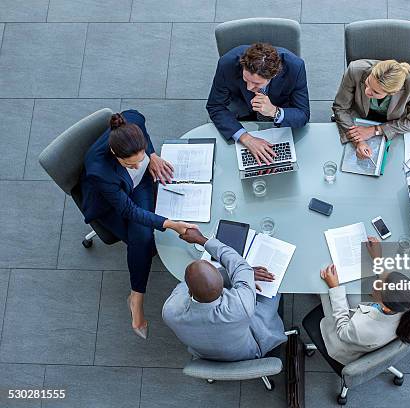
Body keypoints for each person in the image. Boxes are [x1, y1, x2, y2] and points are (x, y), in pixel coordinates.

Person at [80, 110, 197, 339]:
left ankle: (136, 293)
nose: (136, 165)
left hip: (139, 185)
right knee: (143, 239)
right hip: (111, 203)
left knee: (145, 237)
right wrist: (171, 224)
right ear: (115, 154)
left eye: (139, 158)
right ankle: (137, 297)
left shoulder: (132, 121)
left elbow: (141, 126)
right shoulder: (99, 171)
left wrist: (151, 156)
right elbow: (128, 210)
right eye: (130, 164)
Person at [302, 237, 410, 369]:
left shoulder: (361, 328)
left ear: (384, 306)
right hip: (374, 331)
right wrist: (378, 259)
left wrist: (335, 288)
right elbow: (390, 282)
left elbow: (342, 330)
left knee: (318, 280)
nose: (375, 284)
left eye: (377, 287)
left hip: (345, 341)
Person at [162, 228, 287, 361]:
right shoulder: (240, 306)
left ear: (189, 292)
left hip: (205, 356)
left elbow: (186, 284)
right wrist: (201, 239)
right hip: (249, 352)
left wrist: (239, 275)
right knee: (276, 287)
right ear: (223, 285)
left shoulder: (169, 311)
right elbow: (239, 265)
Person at [206, 43, 310, 165]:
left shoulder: (295, 67)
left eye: (256, 84)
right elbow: (215, 106)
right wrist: (246, 138)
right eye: (246, 79)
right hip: (242, 113)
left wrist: (274, 111)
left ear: (274, 75)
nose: (249, 87)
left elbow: (303, 114)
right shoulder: (226, 64)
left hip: (279, 120)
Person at [332, 59, 410, 159]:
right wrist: (358, 141)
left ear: (393, 92)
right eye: (367, 83)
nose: (367, 91)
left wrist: (375, 130)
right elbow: (340, 108)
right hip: (360, 116)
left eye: (375, 92)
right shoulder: (355, 70)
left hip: (394, 122)